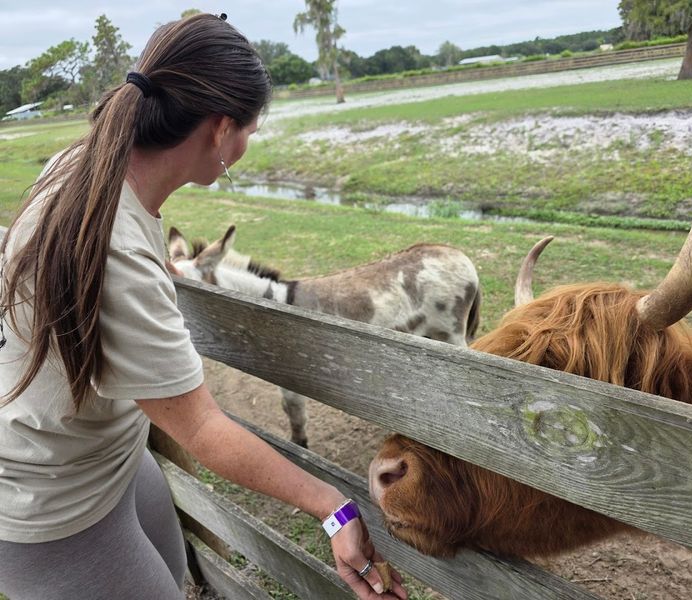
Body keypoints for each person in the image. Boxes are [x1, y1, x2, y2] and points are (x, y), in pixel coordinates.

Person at [0, 13, 406, 600]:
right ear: (219, 132)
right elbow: (204, 430)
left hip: (105, 457)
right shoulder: (120, 256)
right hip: (51, 507)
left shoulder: (86, 165)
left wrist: (152, 275)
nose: (250, 141)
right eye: (251, 127)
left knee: (175, 576)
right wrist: (333, 507)